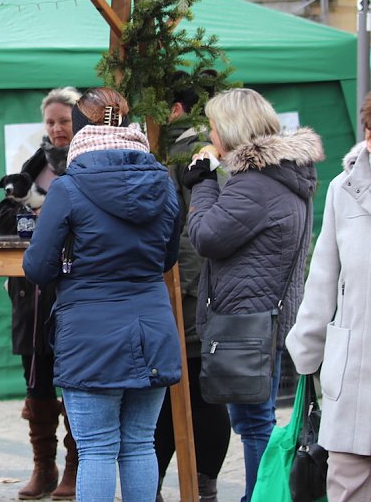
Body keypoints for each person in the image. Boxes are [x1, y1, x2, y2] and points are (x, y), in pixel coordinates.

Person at [23, 87, 182, 502]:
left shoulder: (69, 188)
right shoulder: (163, 183)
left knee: (95, 448)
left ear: (80, 129)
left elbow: (38, 268)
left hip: (90, 332)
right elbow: (166, 258)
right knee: (140, 444)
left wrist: (73, 266)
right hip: (153, 326)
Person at [183, 88, 323, 502]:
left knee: (253, 423)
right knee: (254, 418)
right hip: (265, 315)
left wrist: (204, 184)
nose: (210, 133)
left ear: (229, 129)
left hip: (248, 320)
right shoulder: (282, 174)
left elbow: (207, 237)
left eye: (212, 126)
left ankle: (258, 497)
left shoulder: (255, 185)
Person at [0, 86, 81, 500]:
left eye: (64, 120)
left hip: (75, 293)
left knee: (78, 381)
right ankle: (43, 467)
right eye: (51, 121)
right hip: (32, 294)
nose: (58, 128)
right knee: (36, 380)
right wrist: (32, 210)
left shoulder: (89, 161)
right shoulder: (34, 163)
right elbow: (2, 213)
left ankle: (76, 468)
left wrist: (46, 210)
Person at [286, 96, 371, 502]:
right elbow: (322, 279)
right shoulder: (345, 188)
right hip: (357, 376)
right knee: (348, 484)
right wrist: (307, 351)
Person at [153, 73, 229, 502]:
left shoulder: (185, 149)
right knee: (198, 392)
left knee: (192, 393)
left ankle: (192, 487)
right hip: (199, 290)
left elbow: (191, 230)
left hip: (188, 294)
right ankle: (196, 487)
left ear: (175, 109)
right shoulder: (200, 145)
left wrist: (183, 290)